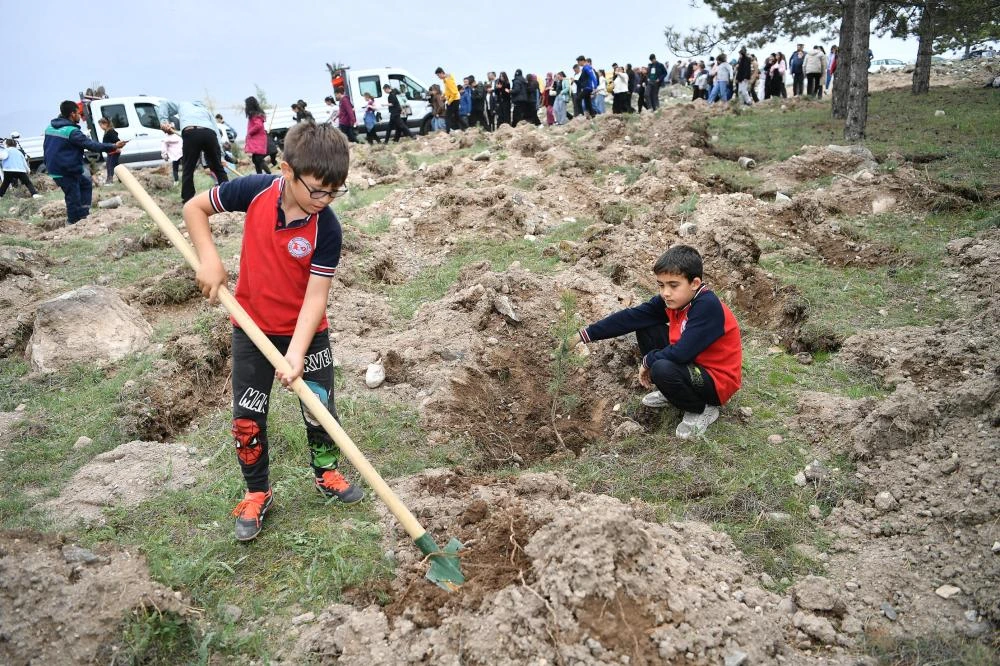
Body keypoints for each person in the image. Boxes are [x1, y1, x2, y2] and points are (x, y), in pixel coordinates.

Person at [183, 120, 363, 542]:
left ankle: (327, 473)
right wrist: (209, 260)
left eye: (335, 191)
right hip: (251, 328)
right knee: (247, 416)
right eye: (317, 190)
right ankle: (257, 491)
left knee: (319, 408)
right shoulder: (256, 190)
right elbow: (195, 208)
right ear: (286, 171)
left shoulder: (327, 228)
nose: (326, 199)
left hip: (307, 331)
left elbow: (316, 297)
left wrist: (297, 353)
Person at [573, 245, 741, 439]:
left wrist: (648, 360)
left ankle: (701, 409)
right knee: (646, 327)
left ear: (694, 283)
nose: (665, 293)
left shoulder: (707, 307)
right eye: (661, 285)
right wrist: (584, 335)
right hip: (695, 365)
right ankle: (673, 392)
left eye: (673, 285)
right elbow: (632, 317)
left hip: (716, 381)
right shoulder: (674, 300)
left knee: (661, 368)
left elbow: (682, 353)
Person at [44, 100, 125, 224]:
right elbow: (92, 145)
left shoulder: (50, 127)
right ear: (72, 114)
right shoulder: (72, 132)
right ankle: (72, 224)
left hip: (56, 167)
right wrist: (114, 146)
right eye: (78, 113)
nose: (80, 117)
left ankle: (84, 215)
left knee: (86, 182)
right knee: (73, 199)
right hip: (66, 170)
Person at [157, 99, 229, 202]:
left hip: (191, 132)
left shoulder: (183, 103)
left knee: (188, 169)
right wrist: (220, 156)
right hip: (209, 134)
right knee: (218, 167)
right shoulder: (206, 110)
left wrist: (164, 121)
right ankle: (228, 196)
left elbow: (164, 104)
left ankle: (188, 200)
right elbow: (216, 132)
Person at [244, 96, 271, 174]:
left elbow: (258, 125)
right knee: (256, 159)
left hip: (258, 140)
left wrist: (250, 132)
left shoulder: (254, 115)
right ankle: (259, 176)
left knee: (258, 159)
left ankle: (268, 175)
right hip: (258, 140)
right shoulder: (256, 114)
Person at [97, 117, 121, 185]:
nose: (101, 127)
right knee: (116, 166)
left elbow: (117, 140)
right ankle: (122, 178)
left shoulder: (111, 132)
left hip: (114, 152)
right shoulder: (107, 131)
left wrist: (117, 147)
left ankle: (109, 181)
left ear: (106, 124)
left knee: (110, 166)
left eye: (101, 125)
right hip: (110, 152)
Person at [436, 67, 461, 132]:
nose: (438, 77)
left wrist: (449, 102)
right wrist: (443, 95)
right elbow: (448, 90)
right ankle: (463, 128)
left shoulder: (448, 80)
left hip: (454, 100)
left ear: (442, 73)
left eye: (438, 75)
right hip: (454, 99)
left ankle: (448, 132)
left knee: (448, 116)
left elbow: (454, 92)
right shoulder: (446, 79)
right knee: (456, 116)